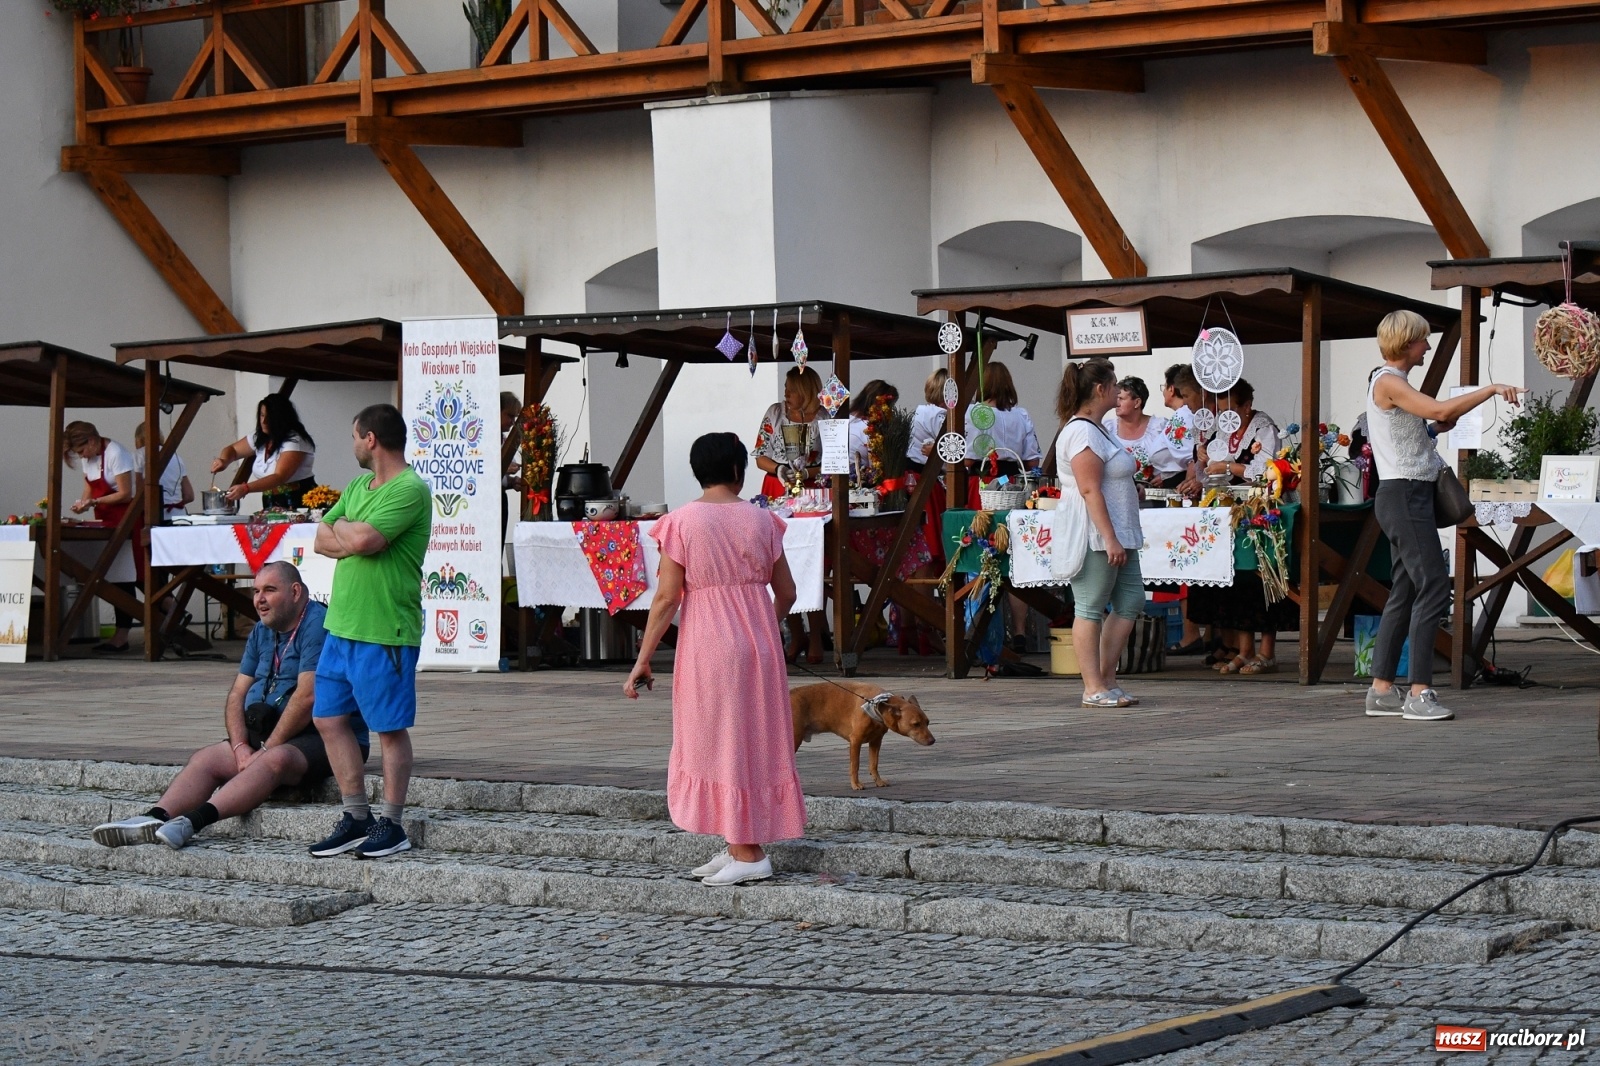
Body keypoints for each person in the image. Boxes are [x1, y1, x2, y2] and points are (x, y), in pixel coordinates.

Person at [624, 432, 806, 886]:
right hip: (759, 647)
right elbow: (786, 593)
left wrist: (643, 657)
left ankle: (749, 851)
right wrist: (760, 622)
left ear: (697, 471)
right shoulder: (764, 522)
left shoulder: (682, 522)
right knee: (750, 741)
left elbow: (667, 598)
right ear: (736, 470)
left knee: (716, 740)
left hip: (709, 644)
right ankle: (736, 842)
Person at [89, 562, 359, 850]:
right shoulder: (261, 630)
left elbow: (307, 696)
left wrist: (265, 750)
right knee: (208, 758)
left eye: (269, 590)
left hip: (320, 736)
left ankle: (191, 822)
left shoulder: (318, 624)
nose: (259, 599)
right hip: (268, 732)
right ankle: (153, 817)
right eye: (256, 591)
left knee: (274, 760)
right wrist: (241, 748)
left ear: (295, 592)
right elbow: (236, 694)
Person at [1364, 310, 1521, 722]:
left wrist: (1433, 431)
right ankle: (1419, 692)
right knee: (1434, 585)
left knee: (1406, 589)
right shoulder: (1390, 382)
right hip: (1405, 496)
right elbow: (1437, 409)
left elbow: (1426, 424)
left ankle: (1382, 690)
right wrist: (1489, 389)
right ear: (1407, 342)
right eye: (1423, 340)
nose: (1428, 346)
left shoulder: (1388, 383)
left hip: (1402, 495)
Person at [307, 403, 433, 859]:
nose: (354, 445)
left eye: (355, 437)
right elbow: (320, 538)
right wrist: (344, 530)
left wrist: (344, 531)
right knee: (327, 718)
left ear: (371, 439)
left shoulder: (411, 489)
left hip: (385, 629)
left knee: (388, 729)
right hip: (341, 626)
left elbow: (363, 541)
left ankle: (393, 824)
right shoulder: (359, 485)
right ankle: (357, 816)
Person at [1056, 358, 1145, 708]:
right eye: (1116, 385)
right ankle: (1092, 686)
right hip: (1098, 532)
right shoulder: (1081, 431)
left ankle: (1108, 679)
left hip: (1121, 530)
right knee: (1090, 606)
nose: (1120, 390)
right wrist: (1109, 537)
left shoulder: (1100, 429)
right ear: (1100, 389)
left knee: (1131, 600)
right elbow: (1089, 488)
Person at [1188, 378, 1291, 675]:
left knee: (1263, 579)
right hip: (1232, 514)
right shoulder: (1223, 430)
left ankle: (1267, 652)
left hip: (1262, 512)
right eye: (1221, 412)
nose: (1225, 418)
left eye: (1231, 410)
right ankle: (1245, 650)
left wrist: (1230, 467)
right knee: (1237, 579)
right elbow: (1207, 479)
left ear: (1247, 406)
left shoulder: (1263, 428)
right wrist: (1204, 461)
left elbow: (1269, 470)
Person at [753, 365, 828, 662]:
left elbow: (832, 461)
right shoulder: (775, 413)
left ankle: (817, 637)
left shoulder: (823, 419)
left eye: (792, 388)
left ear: (806, 391)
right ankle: (796, 633)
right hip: (776, 485)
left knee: (811, 562)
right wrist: (780, 469)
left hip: (812, 490)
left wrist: (807, 470)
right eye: (785, 387)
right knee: (780, 559)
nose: (786, 393)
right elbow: (760, 456)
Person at [64, 421, 142, 654]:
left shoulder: (116, 453)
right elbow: (89, 488)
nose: (82, 456)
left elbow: (126, 493)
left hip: (127, 520)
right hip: (106, 521)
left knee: (135, 573)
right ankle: (123, 634)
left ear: (91, 440)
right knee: (118, 576)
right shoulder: (90, 459)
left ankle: (169, 614)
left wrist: (95, 502)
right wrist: (82, 505)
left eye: (81, 451)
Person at [212, 394, 317, 509]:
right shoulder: (260, 437)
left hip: (298, 500)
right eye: (262, 415)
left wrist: (246, 488)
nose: (264, 421)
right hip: (272, 502)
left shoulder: (295, 441)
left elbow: (279, 476)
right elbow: (232, 450)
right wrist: (224, 460)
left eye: (269, 417)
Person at [1102, 376, 1187, 490]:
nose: (1117, 403)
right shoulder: (1107, 428)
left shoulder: (1159, 427)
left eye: (1121, 399)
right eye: (1116, 398)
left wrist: (1166, 476)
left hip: (1154, 496)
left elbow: (1182, 455)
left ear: (1137, 402)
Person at [963, 360, 1042, 480]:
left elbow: (968, 460)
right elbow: (1032, 463)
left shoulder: (973, 412)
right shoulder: (1021, 415)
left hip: (982, 480)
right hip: (1011, 480)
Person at [134, 421, 194, 521]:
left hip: (156, 516)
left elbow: (139, 492)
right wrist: (174, 502)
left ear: (138, 440)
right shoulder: (176, 457)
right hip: (180, 516)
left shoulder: (138, 455)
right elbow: (189, 495)